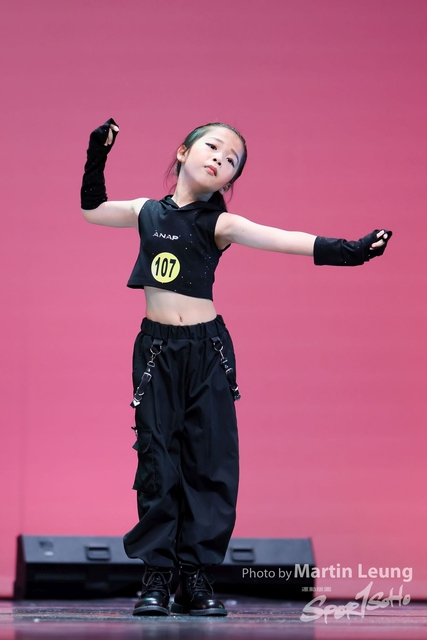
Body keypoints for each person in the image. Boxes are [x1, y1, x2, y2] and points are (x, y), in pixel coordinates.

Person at [80, 118, 392, 617]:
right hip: (158, 352)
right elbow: (93, 210)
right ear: (183, 152)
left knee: (210, 465)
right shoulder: (145, 211)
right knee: (158, 463)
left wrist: (351, 251)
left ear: (229, 181)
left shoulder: (221, 224)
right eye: (212, 147)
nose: (219, 159)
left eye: (231, 161)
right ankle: (157, 578)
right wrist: (98, 153)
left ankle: (196, 579)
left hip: (207, 353)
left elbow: (283, 238)